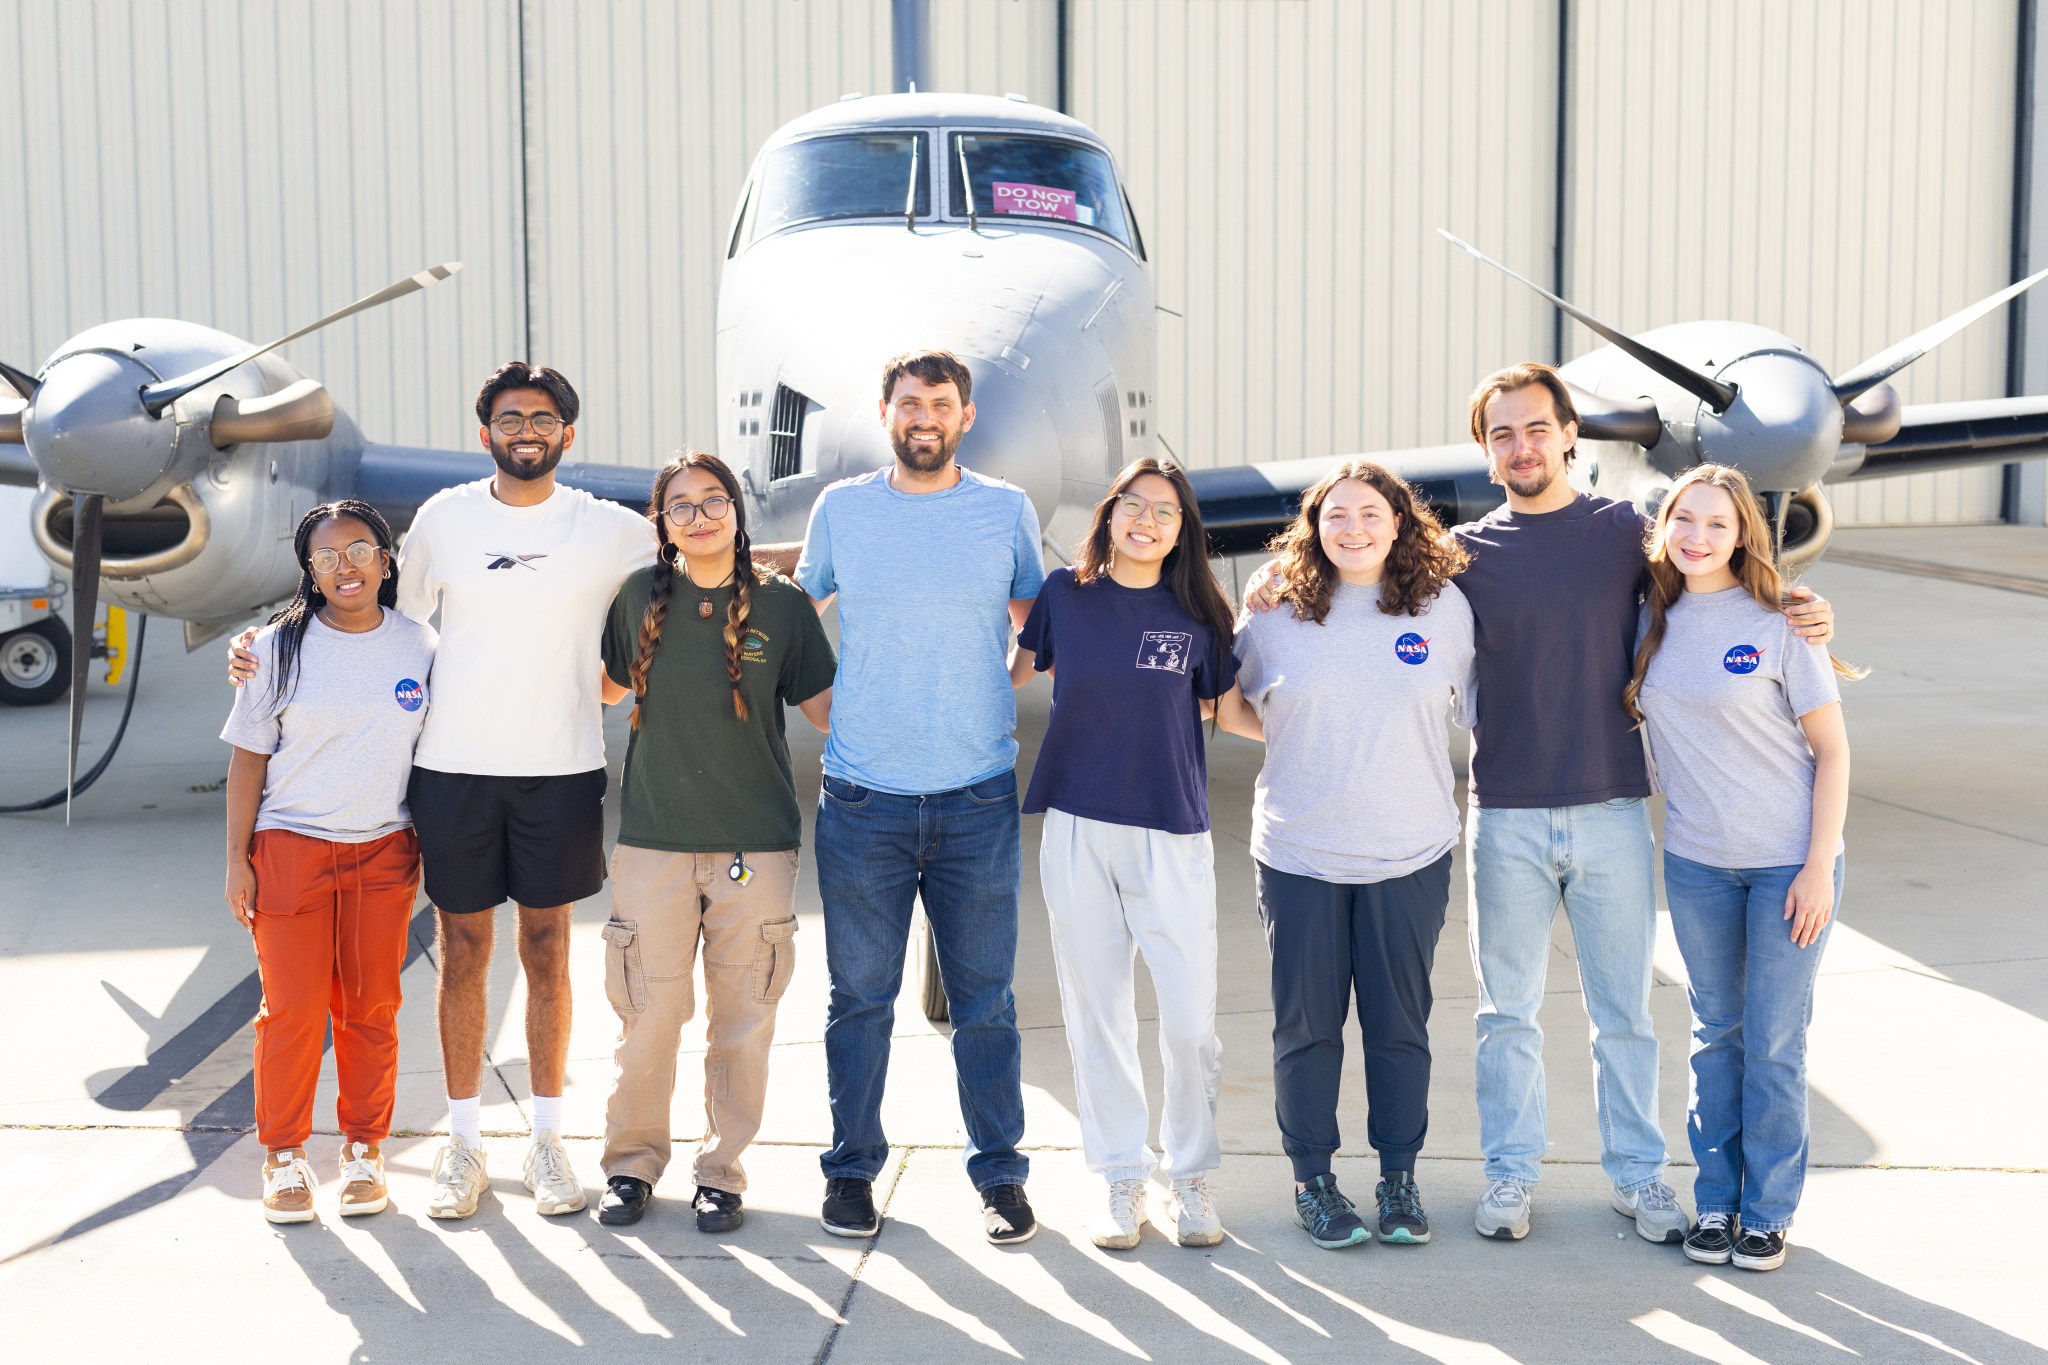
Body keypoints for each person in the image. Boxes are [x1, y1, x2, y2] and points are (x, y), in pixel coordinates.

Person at [1240, 362, 1833, 1245]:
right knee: (1506, 1011)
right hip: (1506, 812)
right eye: (1502, 434)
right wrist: (1269, 584)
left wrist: (1795, 601)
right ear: (1486, 452)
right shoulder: (1460, 559)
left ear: (1568, 436)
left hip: (1611, 810)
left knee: (1624, 1011)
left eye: (1536, 429)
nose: (1522, 446)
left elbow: (1709, 571)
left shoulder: (1627, 534)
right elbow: (1362, 593)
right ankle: (1511, 1174)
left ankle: (1639, 1175)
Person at [232, 363, 654, 1220]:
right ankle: (463, 1141)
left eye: (542, 417)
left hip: (562, 771)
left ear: (568, 434)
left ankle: (544, 1140)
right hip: (453, 773)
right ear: (485, 432)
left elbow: (709, 570)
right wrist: (261, 643)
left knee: (546, 953)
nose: (525, 429)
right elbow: (380, 621)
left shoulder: (615, 530)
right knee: (463, 954)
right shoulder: (445, 521)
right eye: (508, 417)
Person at [793, 348, 1045, 1244]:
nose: (924, 416)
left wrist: (998, 688)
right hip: (864, 801)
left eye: (940, 402)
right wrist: (830, 709)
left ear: (965, 416)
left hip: (976, 798)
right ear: (886, 412)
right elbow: (798, 616)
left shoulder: (1005, 510)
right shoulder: (843, 509)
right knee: (859, 999)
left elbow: (1037, 627)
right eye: (909, 402)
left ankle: (1002, 1176)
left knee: (987, 1002)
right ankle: (852, 1171)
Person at [1216, 461, 1475, 1251]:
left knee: (1400, 1025)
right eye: (1337, 515)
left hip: (1410, 848)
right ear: (1314, 526)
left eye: (1371, 513)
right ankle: (1314, 1182)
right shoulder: (1274, 613)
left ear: (1400, 522)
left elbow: (1473, 701)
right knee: (1306, 1027)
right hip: (1299, 853)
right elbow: (1228, 704)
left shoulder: (1444, 608)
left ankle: (1399, 1177)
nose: (1354, 528)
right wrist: (1308, 742)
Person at [592, 451, 835, 1233]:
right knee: (650, 1015)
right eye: (680, 506)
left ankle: (721, 1170)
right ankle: (631, 1165)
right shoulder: (636, 599)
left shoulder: (784, 607)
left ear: (737, 507)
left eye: (712, 500)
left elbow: (832, 711)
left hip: (753, 847)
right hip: (655, 843)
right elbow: (598, 686)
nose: (699, 516)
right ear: (661, 526)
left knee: (742, 1018)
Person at [1624, 463, 1857, 1273]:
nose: (1696, 536)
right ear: (1663, 526)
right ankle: (1716, 1201)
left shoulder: (1783, 622)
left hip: (1789, 864)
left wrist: (1818, 866)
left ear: (1742, 535)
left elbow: (1832, 750)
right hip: (1697, 865)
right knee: (1714, 1034)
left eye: (1716, 524)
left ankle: (1767, 1212)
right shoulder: (1647, 618)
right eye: (1683, 519)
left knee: (1774, 1040)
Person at [1011, 457, 1242, 1251]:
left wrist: (1337, 730)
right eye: (1134, 505)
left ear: (1184, 531)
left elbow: (1231, 710)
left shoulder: (1201, 614)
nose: (1147, 520)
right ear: (1109, 514)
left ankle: (1191, 1176)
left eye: (1166, 512)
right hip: (1076, 824)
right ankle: (1120, 1176)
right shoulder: (1062, 596)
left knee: (1187, 1021)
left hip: (1170, 831)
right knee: (1098, 1012)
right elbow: (1007, 675)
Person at [222, 501, 435, 1222]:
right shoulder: (275, 647)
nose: (345, 567)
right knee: (292, 1010)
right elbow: (247, 762)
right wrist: (236, 859)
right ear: (308, 571)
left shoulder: (421, 646)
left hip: (382, 849)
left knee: (371, 1007)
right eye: (326, 556)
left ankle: (364, 1149)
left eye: (359, 550)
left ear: (385, 555)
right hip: (290, 847)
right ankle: (283, 1154)